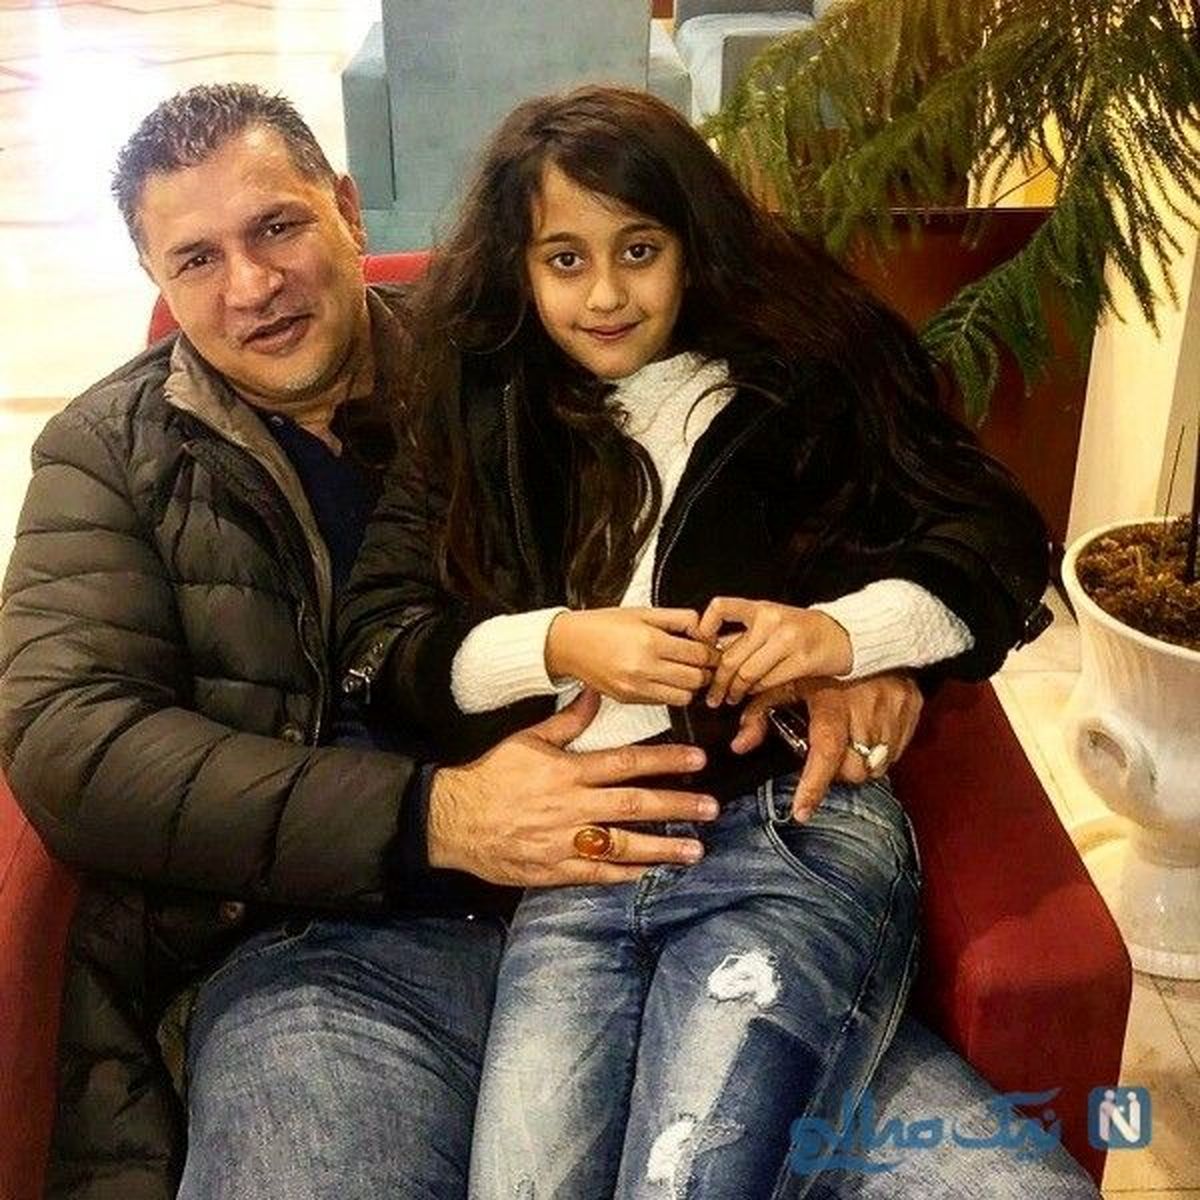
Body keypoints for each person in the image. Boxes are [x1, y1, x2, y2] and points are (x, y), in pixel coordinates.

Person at [0, 82, 1094, 1200]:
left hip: (688, 863)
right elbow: (70, 742)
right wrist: (439, 817)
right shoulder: (111, 455)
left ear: (349, 210)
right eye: (196, 259)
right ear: (154, 276)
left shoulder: (520, 351)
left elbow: (873, 500)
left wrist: (872, 646)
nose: (251, 285)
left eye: (277, 227)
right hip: (346, 953)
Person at [336, 86, 1089, 1199]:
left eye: (639, 250)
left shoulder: (808, 371)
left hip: (781, 829)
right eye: (565, 259)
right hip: (578, 865)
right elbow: (382, 641)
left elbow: (995, 536)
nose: (605, 294)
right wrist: (559, 644)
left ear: (693, 242)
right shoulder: (477, 402)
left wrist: (843, 637)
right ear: (519, 265)